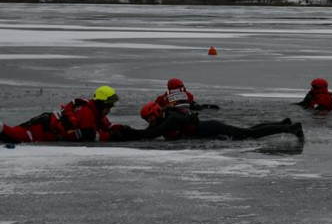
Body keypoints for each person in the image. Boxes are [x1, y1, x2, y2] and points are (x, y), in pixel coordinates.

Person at [1, 86, 133, 143]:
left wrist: (124, 129)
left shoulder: (95, 113)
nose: (110, 109)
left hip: (45, 124)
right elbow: (90, 135)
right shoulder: (87, 112)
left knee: (12, 134)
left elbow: (108, 127)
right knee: (13, 135)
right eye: (108, 105)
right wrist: (113, 136)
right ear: (100, 103)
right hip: (40, 129)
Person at [135, 101, 304, 141]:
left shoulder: (170, 119)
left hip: (212, 128)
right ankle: (284, 123)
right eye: (146, 119)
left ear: (156, 112)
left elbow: (152, 134)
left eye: (149, 117)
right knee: (248, 130)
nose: (149, 121)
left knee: (249, 134)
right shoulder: (167, 117)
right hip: (211, 127)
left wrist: (127, 134)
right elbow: (153, 130)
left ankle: (289, 129)